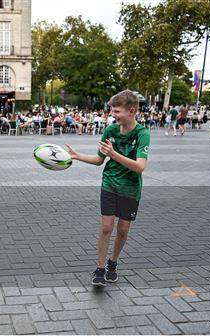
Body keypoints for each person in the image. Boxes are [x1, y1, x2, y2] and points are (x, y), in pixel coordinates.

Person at [65, 90, 150, 287]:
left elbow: (139, 166)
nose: (113, 115)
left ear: (132, 111)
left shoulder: (142, 134)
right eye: (112, 110)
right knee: (106, 227)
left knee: (122, 230)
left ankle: (113, 263)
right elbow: (98, 160)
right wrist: (78, 156)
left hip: (130, 188)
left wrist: (114, 154)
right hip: (110, 183)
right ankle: (100, 268)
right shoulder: (110, 130)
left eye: (117, 111)